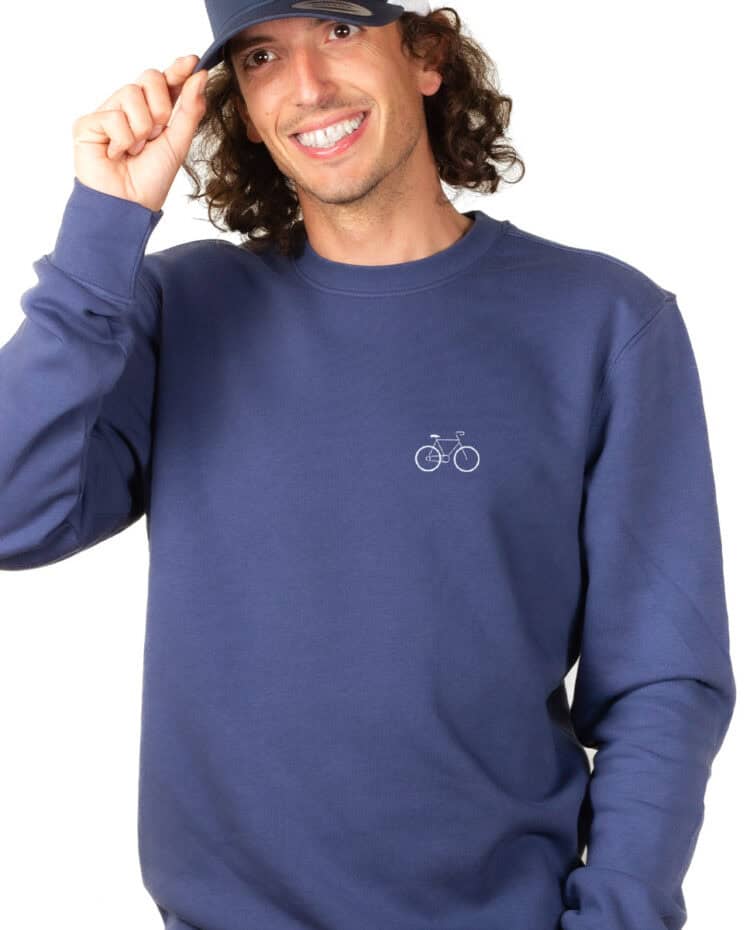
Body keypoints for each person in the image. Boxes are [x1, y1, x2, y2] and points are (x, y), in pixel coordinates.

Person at [0, 2, 736, 929]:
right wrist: (102, 231)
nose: (307, 87)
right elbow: (12, 515)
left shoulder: (604, 322)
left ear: (426, 56)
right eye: (262, 57)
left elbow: (663, 680)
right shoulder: (179, 308)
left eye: (340, 31)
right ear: (241, 109)